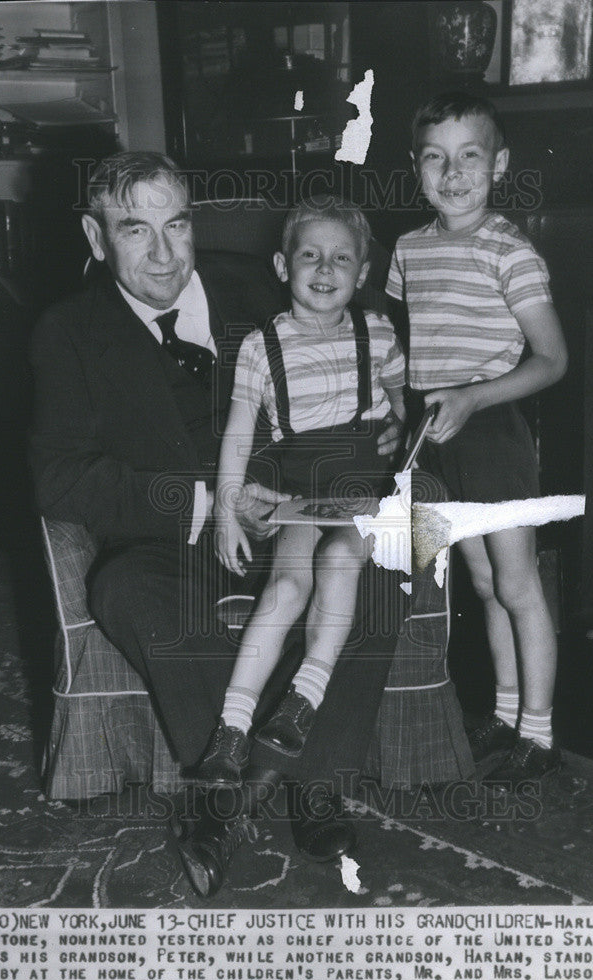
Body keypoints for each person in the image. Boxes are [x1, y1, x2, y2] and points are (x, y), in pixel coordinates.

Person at [29, 152, 404, 897]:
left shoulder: (257, 283)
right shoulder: (66, 333)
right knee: (127, 589)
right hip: (181, 534)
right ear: (97, 238)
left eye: (178, 225)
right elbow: (59, 475)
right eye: (136, 231)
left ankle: (251, 797)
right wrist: (209, 498)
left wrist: (390, 421)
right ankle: (281, 780)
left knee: (385, 563)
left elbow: (365, 337)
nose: (165, 255)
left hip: (311, 502)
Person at [386, 92, 568, 786]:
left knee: (518, 583)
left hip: (491, 429)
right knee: (484, 582)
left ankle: (541, 732)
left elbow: (552, 360)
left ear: (499, 164)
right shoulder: (407, 249)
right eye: (436, 157)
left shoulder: (511, 252)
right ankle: (506, 710)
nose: (453, 172)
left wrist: (474, 396)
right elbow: (412, 345)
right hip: (436, 430)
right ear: (416, 167)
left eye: (470, 156)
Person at [194, 197, 406, 787]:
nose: (325, 268)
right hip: (305, 493)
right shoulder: (261, 346)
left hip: (371, 491)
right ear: (283, 267)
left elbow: (402, 396)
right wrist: (227, 510)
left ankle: (303, 699)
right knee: (287, 584)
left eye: (342, 259)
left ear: (362, 275)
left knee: (340, 557)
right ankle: (231, 731)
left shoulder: (379, 330)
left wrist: (401, 425)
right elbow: (238, 431)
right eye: (310, 255)